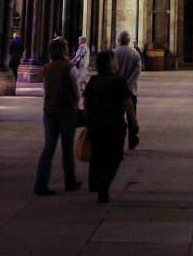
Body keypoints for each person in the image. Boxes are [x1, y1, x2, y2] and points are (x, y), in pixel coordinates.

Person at [84, 49, 139, 203]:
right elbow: (128, 103)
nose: (117, 61)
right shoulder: (119, 81)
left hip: (96, 123)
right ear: (110, 63)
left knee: (97, 153)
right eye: (115, 59)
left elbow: (86, 102)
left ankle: (94, 182)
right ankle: (104, 182)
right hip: (114, 123)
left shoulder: (94, 80)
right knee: (115, 155)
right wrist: (134, 122)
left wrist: (88, 121)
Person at [33, 37, 82, 196]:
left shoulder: (47, 67)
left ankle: (40, 183)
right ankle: (70, 182)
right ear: (64, 50)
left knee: (49, 147)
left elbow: (46, 88)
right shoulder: (70, 68)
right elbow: (76, 91)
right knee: (67, 148)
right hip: (67, 112)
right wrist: (75, 102)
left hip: (49, 111)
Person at [114, 31, 141, 149]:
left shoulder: (113, 53)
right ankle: (132, 139)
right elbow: (137, 71)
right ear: (129, 41)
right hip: (130, 91)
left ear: (118, 40)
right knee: (131, 116)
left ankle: (116, 140)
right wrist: (128, 83)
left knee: (116, 117)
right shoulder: (134, 54)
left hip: (115, 91)